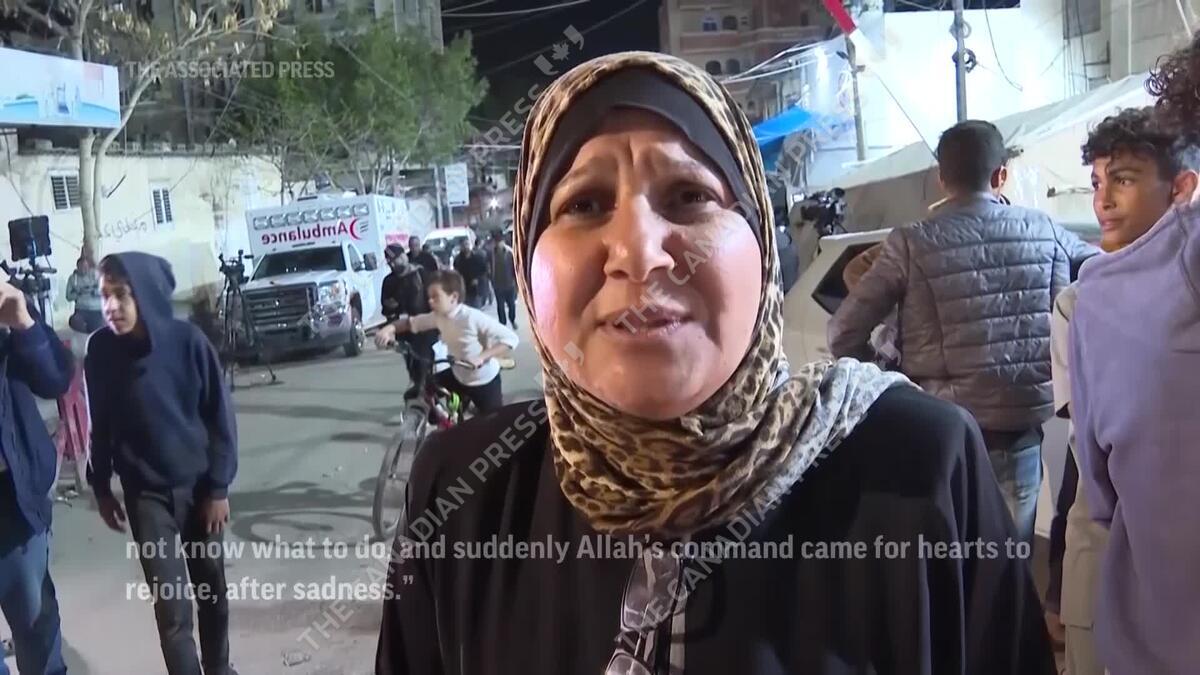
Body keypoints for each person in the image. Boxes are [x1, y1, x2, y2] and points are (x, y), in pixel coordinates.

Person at [376, 53, 1055, 675]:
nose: (639, 253)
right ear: (528, 261)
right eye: (584, 204)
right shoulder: (465, 491)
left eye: (689, 196)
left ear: (761, 247)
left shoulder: (921, 465)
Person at [827, 119, 1096, 546]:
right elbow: (1106, 272)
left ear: (942, 178)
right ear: (1001, 174)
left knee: (944, 562)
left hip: (937, 432)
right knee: (1009, 561)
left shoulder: (912, 242)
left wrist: (888, 381)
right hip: (1017, 434)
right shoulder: (1045, 230)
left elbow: (842, 333)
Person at [1068, 43, 1200, 673]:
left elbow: (1098, 484)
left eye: (1121, 180)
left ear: (1181, 188)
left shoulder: (1096, 294)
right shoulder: (1090, 296)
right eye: (1098, 183)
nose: (1104, 201)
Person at [87, 252, 239, 675]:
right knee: (171, 607)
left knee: (211, 592)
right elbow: (100, 423)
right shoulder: (100, 351)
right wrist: (101, 485)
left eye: (121, 295)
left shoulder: (188, 343)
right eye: (104, 295)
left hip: (201, 491)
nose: (110, 306)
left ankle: (219, 668)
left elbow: (220, 418)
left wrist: (218, 488)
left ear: (147, 294)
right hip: (146, 497)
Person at [0, 281, 72, 675]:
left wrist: (23, 323)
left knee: (38, 639)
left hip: (12, 505)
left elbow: (56, 379)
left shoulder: (8, 310)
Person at [373, 270, 517, 414]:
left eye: (435, 296)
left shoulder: (472, 317)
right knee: (421, 391)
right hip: (458, 375)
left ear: (453, 297)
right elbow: (408, 323)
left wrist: (482, 357)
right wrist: (388, 329)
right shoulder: (438, 316)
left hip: (483, 380)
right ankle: (438, 418)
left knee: (494, 422)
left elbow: (511, 339)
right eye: (429, 297)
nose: (430, 301)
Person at [382, 245, 439, 398]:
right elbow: (386, 310)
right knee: (413, 369)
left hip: (425, 330)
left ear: (404, 257)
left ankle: (426, 398)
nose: (392, 264)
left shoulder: (422, 274)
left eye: (395, 260)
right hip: (404, 333)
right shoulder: (389, 281)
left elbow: (436, 300)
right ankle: (423, 397)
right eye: (389, 262)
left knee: (425, 367)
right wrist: (390, 307)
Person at [66, 255, 103, 333]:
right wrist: (79, 293)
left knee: (97, 331)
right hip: (81, 309)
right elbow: (68, 297)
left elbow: (105, 291)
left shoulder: (96, 275)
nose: (84, 269)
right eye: (81, 267)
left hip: (96, 310)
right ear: (77, 267)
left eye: (85, 267)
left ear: (88, 266)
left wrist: (93, 292)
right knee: (75, 321)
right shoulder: (73, 278)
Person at [489, 229, 519, 328]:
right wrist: (491, 280)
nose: (498, 243)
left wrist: (517, 282)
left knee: (512, 305)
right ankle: (503, 324)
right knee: (500, 306)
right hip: (498, 285)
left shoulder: (510, 252)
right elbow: (488, 268)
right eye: (496, 241)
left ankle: (512, 319)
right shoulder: (491, 254)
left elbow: (515, 268)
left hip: (510, 284)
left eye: (499, 241)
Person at [453, 239, 489, 308]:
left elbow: (484, 270)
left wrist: (477, 279)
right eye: (463, 245)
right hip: (464, 289)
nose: (466, 247)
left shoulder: (478, 258)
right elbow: (456, 273)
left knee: (476, 309)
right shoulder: (458, 260)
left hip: (476, 290)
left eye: (467, 244)